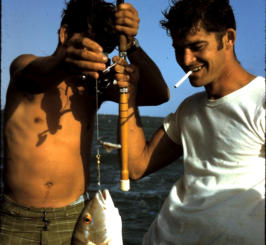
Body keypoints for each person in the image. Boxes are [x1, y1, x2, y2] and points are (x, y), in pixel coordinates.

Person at [0, 0, 169, 244]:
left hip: (74, 218)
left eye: (103, 51)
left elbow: (159, 95)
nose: (97, 58)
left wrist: (132, 46)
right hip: (16, 220)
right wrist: (64, 64)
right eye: (89, 46)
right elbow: (31, 76)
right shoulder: (26, 66)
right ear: (65, 34)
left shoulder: (92, 86)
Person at [121, 0, 265, 244]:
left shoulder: (261, 101)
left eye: (197, 46)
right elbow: (136, 166)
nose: (186, 60)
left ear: (228, 38)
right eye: (179, 49)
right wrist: (129, 91)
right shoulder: (188, 109)